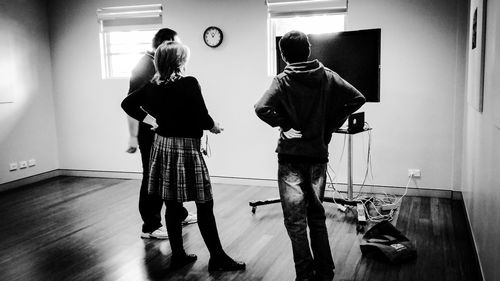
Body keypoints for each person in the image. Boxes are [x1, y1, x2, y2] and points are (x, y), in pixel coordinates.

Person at [121, 41, 245, 271]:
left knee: (171, 203)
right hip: (186, 148)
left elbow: (127, 103)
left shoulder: (152, 86)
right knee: (204, 203)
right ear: (179, 61)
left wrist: (153, 121)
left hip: (162, 147)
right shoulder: (189, 83)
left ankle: (178, 255)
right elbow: (201, 115)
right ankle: (217, 257)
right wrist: (213, 126)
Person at [254, 30, 366, 281]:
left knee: (295, 222)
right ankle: (326, 272)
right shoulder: (327, 76)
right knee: (316, 215)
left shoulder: (282, 80)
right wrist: (328, 125)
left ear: (283, 55)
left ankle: (304, 275)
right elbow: (357, 98)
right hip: (317, 156)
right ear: (309, 49)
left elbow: (261, 108)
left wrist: (284, 125)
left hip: (290, 158)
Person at [126, 28, 196, 240]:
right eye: (177, 44)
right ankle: (150, 226)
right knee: (152, 176)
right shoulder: (145, 66)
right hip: (150, 133)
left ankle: (180, 214)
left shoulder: (162, 66)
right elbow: (130, 103)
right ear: (166, 44)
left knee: (169, 174)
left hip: (164, 131)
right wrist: (133, 135)